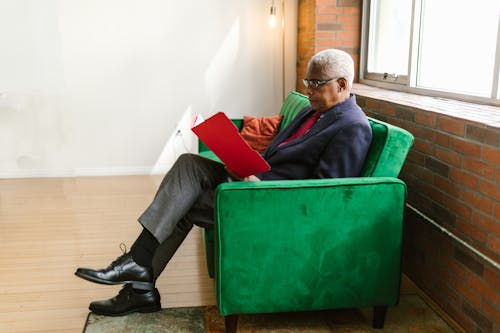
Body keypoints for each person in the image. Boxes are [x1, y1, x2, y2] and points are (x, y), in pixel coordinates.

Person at [75, 48, 373, 316]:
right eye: (307, 82)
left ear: (342, 84)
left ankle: (139, 284)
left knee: (184, 202)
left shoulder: (352, 127)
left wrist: (261, 184)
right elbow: (280, 155)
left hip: (273, 201)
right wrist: (242, 159)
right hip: (256, 179)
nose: (308, 90)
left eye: (315, 83)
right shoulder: (315, 110)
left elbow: (327, 196)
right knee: (189, 165)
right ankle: (137, 269)